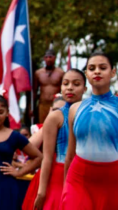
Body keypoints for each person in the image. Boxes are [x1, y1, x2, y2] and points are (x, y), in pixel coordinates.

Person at [61, 52, 118, 210]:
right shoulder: (75, 109)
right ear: (86, 73)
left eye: (103, 67)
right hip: (78, 178)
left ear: (113, 72)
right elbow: (70, 154)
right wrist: (65, 187)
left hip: (112, 179)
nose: (97, 71)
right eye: (92, 68)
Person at [29, 69, 87, 210]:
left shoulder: (90, 114)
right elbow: (47, 158)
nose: (70, 87)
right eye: (65, 83)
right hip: (58, 177)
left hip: (85, 174)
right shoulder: (55, 117)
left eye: (76, 84)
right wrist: (41, 192)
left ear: (85, 88)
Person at [34, 49, 64, 123]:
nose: (48, 59)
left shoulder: (61, 73)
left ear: (54, 58)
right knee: (42, 125)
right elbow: (34, 91)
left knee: (56, 124)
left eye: (50, 57)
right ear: (44, 58)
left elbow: (63, 90)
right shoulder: (38, 73)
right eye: (46, 57)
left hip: (56, 104)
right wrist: (31, 107)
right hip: (42, 104)